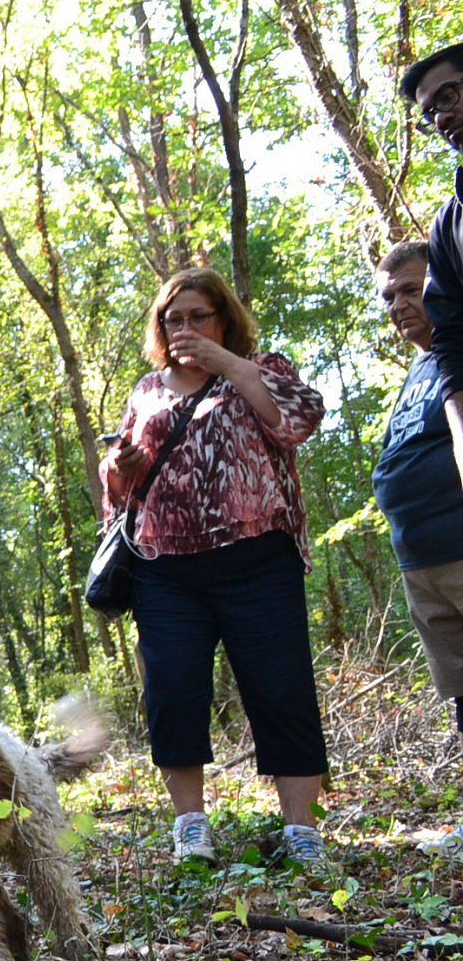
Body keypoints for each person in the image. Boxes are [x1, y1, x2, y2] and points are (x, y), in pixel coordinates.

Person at [100, 268, 330, 865]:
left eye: (198, 316)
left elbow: (299, 422)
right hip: (166, 570)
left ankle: (300, 830)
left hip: (258, 562)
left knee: (281, 690)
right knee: (173, 692)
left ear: (223, 319)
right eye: (173, 319)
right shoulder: (147, 391)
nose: (184, 328)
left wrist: (230, 364)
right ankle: (191, 827)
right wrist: (119, 466)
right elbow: (120, 494)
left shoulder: (262, 369)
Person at [372, 240, 463, 732]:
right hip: (421, 564)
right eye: (388, 297)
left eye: (410, 289)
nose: (398, 306)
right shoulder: (420, 366)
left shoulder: (459, 346)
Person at [398, 42, 463, 492]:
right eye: (429, 112)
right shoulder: (448, 227)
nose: (439, 119)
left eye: (448, 97)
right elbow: (453, 341)